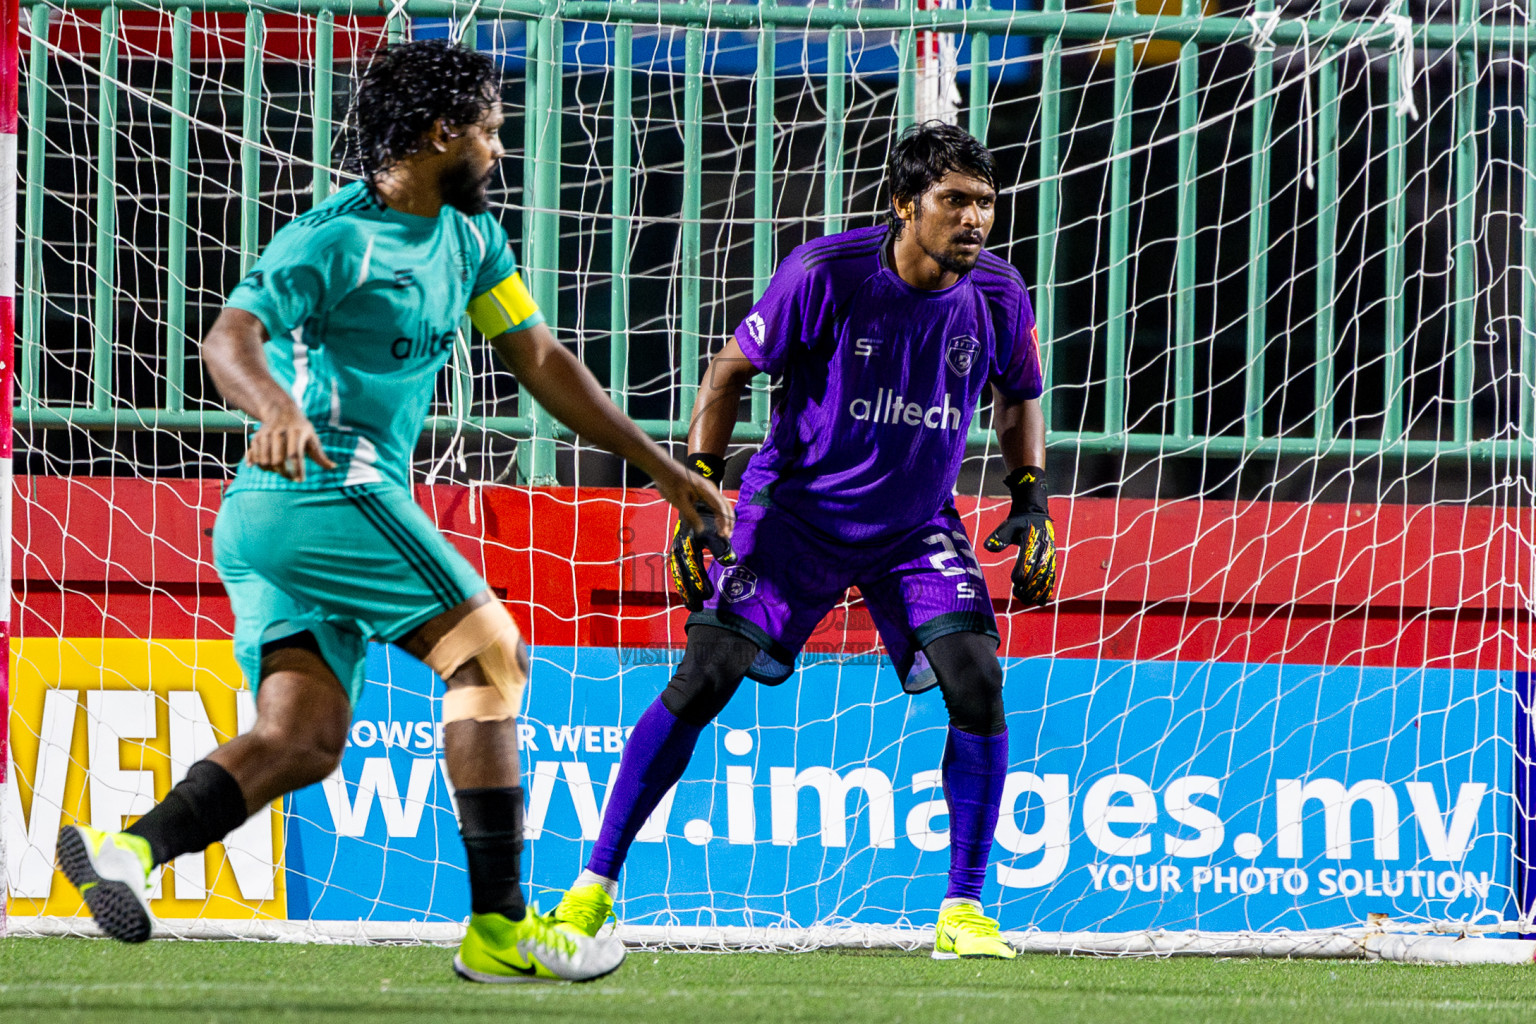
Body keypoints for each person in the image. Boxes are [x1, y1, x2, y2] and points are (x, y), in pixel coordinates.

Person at [55, 39, 730, 984]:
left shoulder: (471, 239)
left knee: (302, 740)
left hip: (280, 519)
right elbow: (230, 337)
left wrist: (660, 468)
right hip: (325, 487)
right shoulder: (333, 237)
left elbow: (541, 360)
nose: (499, 150)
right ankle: (501, 929)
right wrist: (275, 407)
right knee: (492, 654)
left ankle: (129, 852)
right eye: (490, 130)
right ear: (442, 132)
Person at [549, 122, 1055, 960]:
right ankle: (591, 890)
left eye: (985, 203)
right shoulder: (825, 273)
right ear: (904, 204)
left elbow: (1019, 395)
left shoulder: (999, 293)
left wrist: (1030, 497)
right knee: (705, 676)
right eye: (954, 200)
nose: (974, 219)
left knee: (978, 681)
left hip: (914, 528)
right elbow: (728, 372)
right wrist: (699, 487)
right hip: (794, 516)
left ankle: (964, 913)